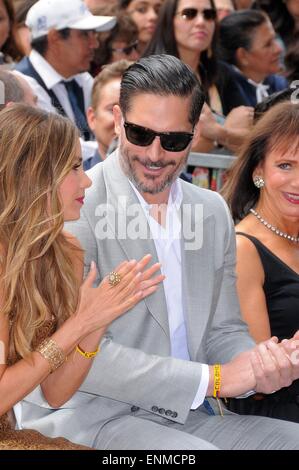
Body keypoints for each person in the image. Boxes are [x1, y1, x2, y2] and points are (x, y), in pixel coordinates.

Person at [18, 55, 299, 450]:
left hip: (192, 416)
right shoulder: (77, 206)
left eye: (173, 140)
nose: (153, 154)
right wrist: (213, 380)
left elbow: (224, 330)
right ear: (117, 120)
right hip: (91, 416)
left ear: (195, 131)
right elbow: (74, 355)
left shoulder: (211, 210)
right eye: (139, 133)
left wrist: (261, 365)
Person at [0, 103, 163, 449]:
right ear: (34, 175)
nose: (86, 179)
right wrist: (81, 322)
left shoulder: (66, 253)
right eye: (74, 167)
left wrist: (98, 321)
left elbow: (56, 392)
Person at [222, 101, 299, 422]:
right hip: (273, 410)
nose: (297, 181)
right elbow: (258, 374)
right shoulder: (243, 248)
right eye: (285, 165)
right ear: (258, 171)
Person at [143, 0, 254, 154]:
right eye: (189, 14)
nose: (201, 22)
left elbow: (252, 139)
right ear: (169, 20)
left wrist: (216, 133)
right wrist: (225, 134)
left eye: (209, 15)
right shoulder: (148, 74)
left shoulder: (223, 74)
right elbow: (167, 144)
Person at [15, 0, 116, 142]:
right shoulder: (24, 86)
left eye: (94, 34)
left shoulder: (80, 77)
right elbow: (61, 149)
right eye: (85, 35)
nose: (95, 44)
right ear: (55, 38)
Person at [218, 10, 287, 109]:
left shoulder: (280, 86)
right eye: (268, 44)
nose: (278, 49)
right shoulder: (226, 95)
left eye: (274, 39)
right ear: (243, 56)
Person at [85, 60, 132, 170]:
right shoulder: (72, 183)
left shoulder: (175, 180)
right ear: (92, 118)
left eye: (133, 110)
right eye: (112, 110)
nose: (123, 121)